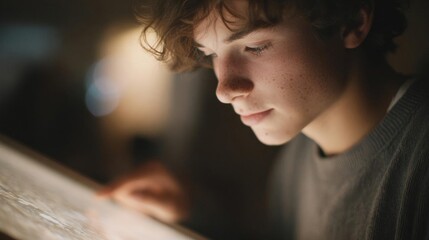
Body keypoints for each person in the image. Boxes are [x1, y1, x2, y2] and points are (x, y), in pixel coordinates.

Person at [98, 0, 429, 239]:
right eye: (212, 55)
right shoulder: (297, 158)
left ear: (352, 22)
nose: (224, 89)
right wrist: (189, 214)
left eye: (255, 46)